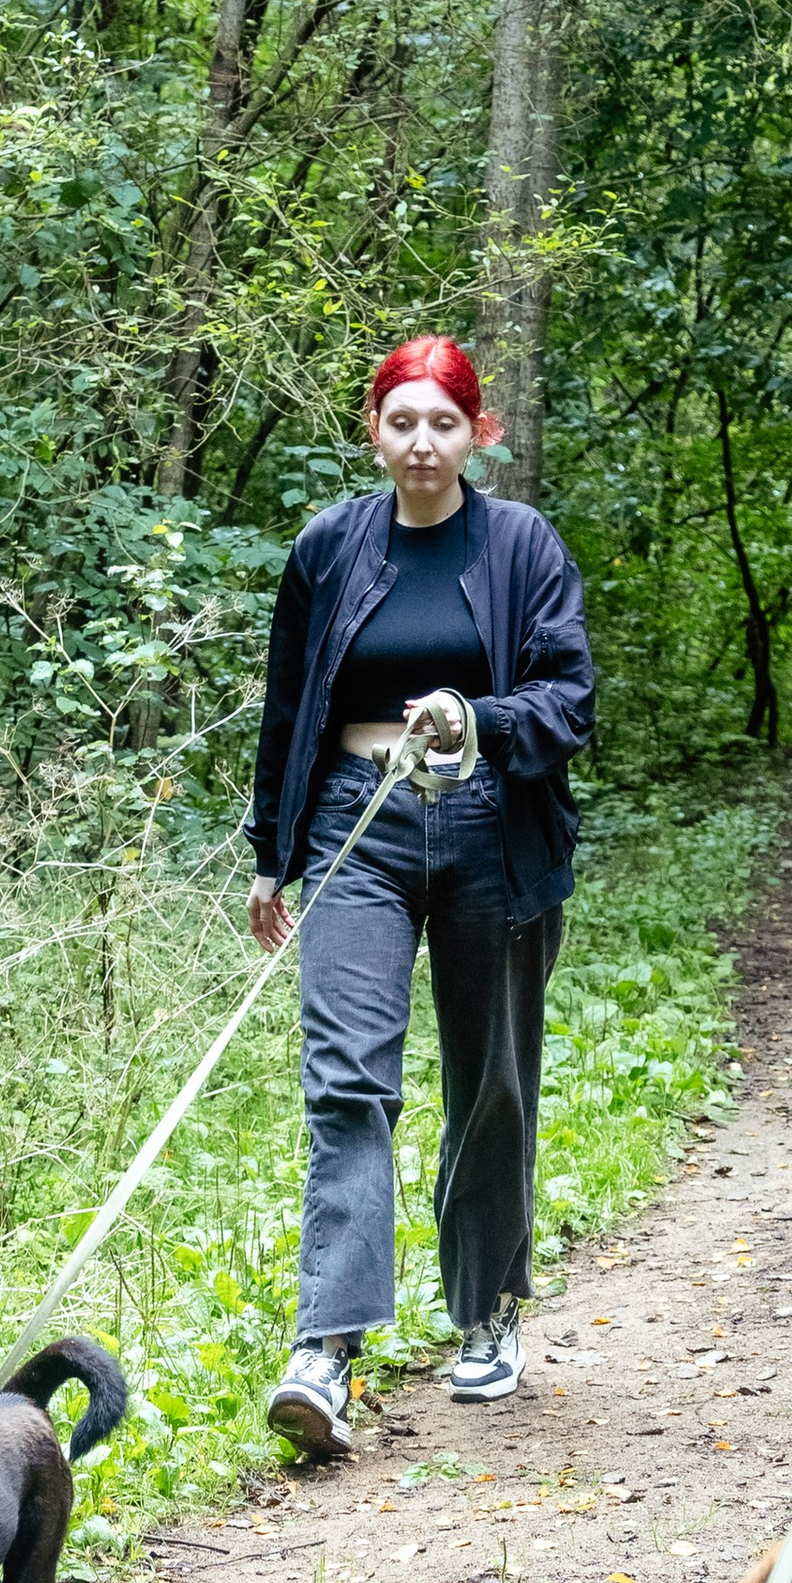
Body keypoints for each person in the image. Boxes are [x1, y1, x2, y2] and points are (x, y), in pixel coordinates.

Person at [246, 336, 597, 1456]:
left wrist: (475, 717)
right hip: (359, 818)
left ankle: (485, 1312)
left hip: (494, 823)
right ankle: (326, 1346)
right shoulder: (329, 549)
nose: (421, 443)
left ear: (474, 433)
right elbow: (287, 704)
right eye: (402, 421)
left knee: (490, 1078)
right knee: (347, 1079)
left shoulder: (521, 547)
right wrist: (271, 851)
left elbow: (566, 696)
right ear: (374, 429)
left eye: (443, 423)